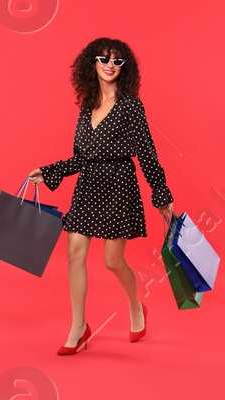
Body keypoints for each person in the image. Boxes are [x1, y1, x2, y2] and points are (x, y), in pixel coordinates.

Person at [28, 37, 171, 356]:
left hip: (120, 185)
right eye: (103, 58)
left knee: (112, 261)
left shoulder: (131, 104)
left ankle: (136, 307)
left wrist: (160, 192)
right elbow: (81, 157)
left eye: (117, 61)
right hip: (89, 186)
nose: (109, 65)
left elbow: (146, 151)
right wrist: (49, 171)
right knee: (74, 253)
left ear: (125, 68)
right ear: (91, 63)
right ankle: (79, 327)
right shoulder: (86, 106)